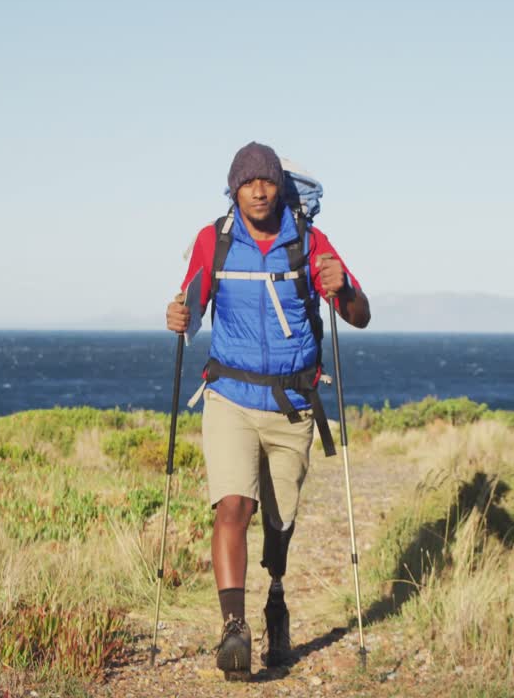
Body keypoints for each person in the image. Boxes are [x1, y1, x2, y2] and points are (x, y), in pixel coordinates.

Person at [165, 141, 370, 681]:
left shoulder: (309, 240)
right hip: (230, 396)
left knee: (280, 522)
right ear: (233, 189)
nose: (258, 189)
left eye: (267, 180)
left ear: (280, 186)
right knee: (234, 507)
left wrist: (341, 286)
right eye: (247, 181)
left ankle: (275, 596)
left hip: (293, 404)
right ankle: (234, 628)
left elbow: (360, 315)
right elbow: (192, 301)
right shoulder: (215, 241)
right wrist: (179, 315)